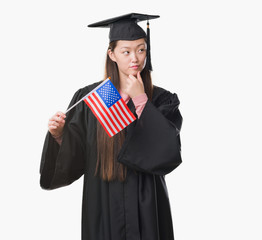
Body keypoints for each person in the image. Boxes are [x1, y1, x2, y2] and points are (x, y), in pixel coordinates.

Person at [40, 13, 183, 240]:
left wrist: (140, 100)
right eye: (126, 51)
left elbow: (167, 151)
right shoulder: (96, 97)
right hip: (103, 203)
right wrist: (59, 136)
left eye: (141, 49)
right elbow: (78, 154)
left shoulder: (161, 99)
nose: (135, 58)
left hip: (147, 206)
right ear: (112, 54)